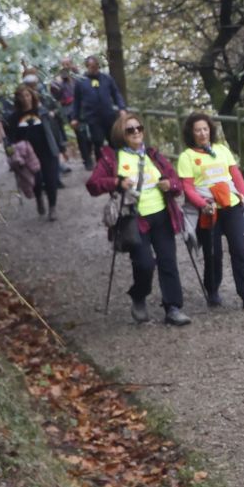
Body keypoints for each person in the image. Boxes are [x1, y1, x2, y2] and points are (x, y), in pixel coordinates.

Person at [87, 110, 189, 326]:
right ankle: (138, 294)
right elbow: (93, 185)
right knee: (144, 264)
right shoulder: (112, 157)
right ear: (120, 133)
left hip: (162, 214)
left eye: (138, 128)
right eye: (130, 129)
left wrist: (169, 185)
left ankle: (173, 307)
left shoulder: (153, 155)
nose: (136, 132)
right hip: (133, 219)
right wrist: (116, 182)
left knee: (168, 261)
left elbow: (176, 182)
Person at [175, 113, 244, 312]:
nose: (202, 133)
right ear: (191, 132)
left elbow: (236, 177)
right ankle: (212, 289)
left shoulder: (222, 150)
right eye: (198, 130)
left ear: (210, 130)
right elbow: (187, 187)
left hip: (231, 205)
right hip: (208, 209)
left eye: (205, 129)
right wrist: (201, 204)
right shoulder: (187, 157)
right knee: (212, 253)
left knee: (239, 249)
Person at [6, 83, 63, 221]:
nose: (25, 99)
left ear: (32, 96)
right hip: (28, 155)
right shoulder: (14, 118)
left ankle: (52, 207)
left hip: (47, 150)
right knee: (36, 181)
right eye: (22, 96)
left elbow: (55, 130)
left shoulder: (42, 112)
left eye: (27, 95)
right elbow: (10, 137)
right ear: (18, 99)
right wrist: (11, 150)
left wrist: (61, 148)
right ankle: (39, 198)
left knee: (51, 179)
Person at [74, 55, 126, 151]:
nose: (95, 69)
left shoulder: (107, 79)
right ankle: (101, 163)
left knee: (114, 141)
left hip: (108, 116)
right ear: (87, 67)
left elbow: (116, 93)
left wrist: (121, 108)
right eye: (92, 67)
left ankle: (116, 162)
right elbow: (76, 101)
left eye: (96, 66)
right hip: (92, 118)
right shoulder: (81, 82)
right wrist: (75, 118)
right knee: (98, 142)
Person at [56, 60, 94, 170]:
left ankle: (89, 154)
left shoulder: (78, 77)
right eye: (64, 64)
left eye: (68, 64)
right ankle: (87, 159)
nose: (66, 67)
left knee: (89, 135)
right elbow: (57, 96)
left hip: (85, 109)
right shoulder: (59, 81)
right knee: (80, 135)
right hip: (71, 111)